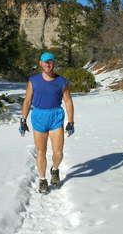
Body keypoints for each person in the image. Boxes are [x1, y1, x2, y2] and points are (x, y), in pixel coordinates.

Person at [19, 52, 75, 193]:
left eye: (50, 62)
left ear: (54, 63)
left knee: (58, 152)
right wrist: (23, 119)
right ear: (40, 63)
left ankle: (55, 169)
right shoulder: (33, 80)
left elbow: (68, 101)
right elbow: (27, 100)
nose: (48, 64)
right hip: (39, 116)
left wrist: (71, 121)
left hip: (56, 116)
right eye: (45, 62)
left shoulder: (62, 81)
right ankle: (42, 180)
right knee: (41, 151)